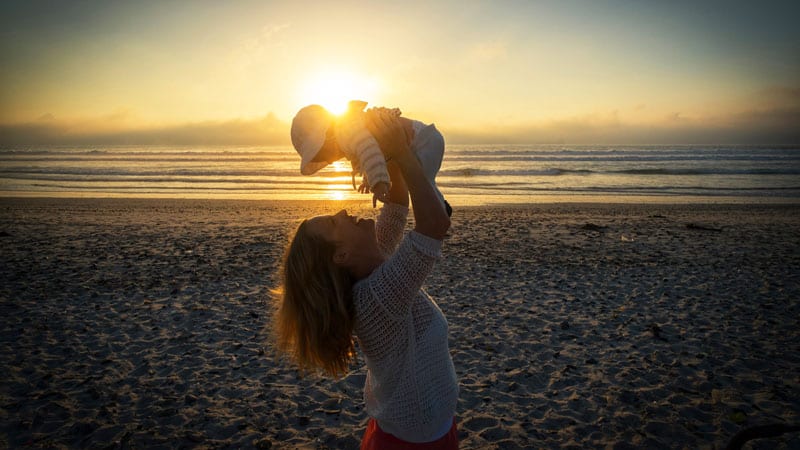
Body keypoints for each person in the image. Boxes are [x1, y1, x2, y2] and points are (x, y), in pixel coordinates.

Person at [273, 109, 459, 449]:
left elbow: (398, 203)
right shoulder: (375, 298)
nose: (343, 211)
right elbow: (434, 226)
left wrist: (388, 149)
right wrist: (401, 154)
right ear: (340, 256)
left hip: (422, 426)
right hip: (412, 442)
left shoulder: (373, 259)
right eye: (333, 222)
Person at [290, 100, 452, 215]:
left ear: (328, 135)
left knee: (420, 185)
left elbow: (370, 152)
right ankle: (441, 206)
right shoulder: (349, 131)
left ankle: (439, 212)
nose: (331, 160)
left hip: (423, 141)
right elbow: (368, 158)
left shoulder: (348, 130)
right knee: (423, 183)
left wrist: (379, 184)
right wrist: (367, 180)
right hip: (426, 140)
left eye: (325, 154)